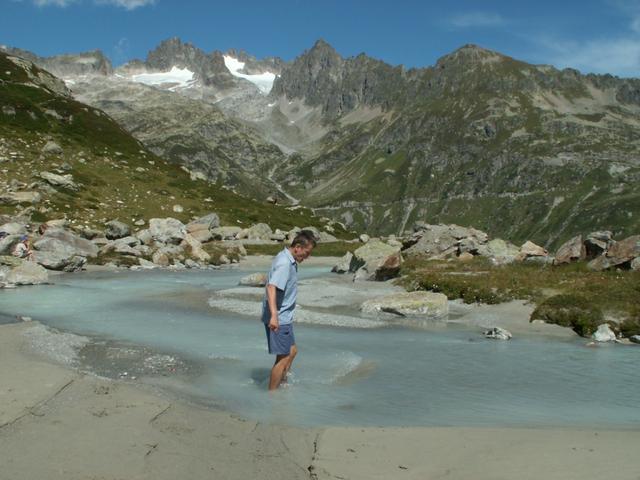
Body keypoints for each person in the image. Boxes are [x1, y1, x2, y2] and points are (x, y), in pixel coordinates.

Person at [261, 230, 316, 391]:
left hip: (283, 316)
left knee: (292, 351)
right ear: (298, 247)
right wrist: (274, 316)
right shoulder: (285, 263)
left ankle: (282, 383)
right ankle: (272, 395)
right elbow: (271, 288)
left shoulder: (287, 258)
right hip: (280, 317)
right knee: (284, 357)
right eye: (306, 253)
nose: (307, 257)